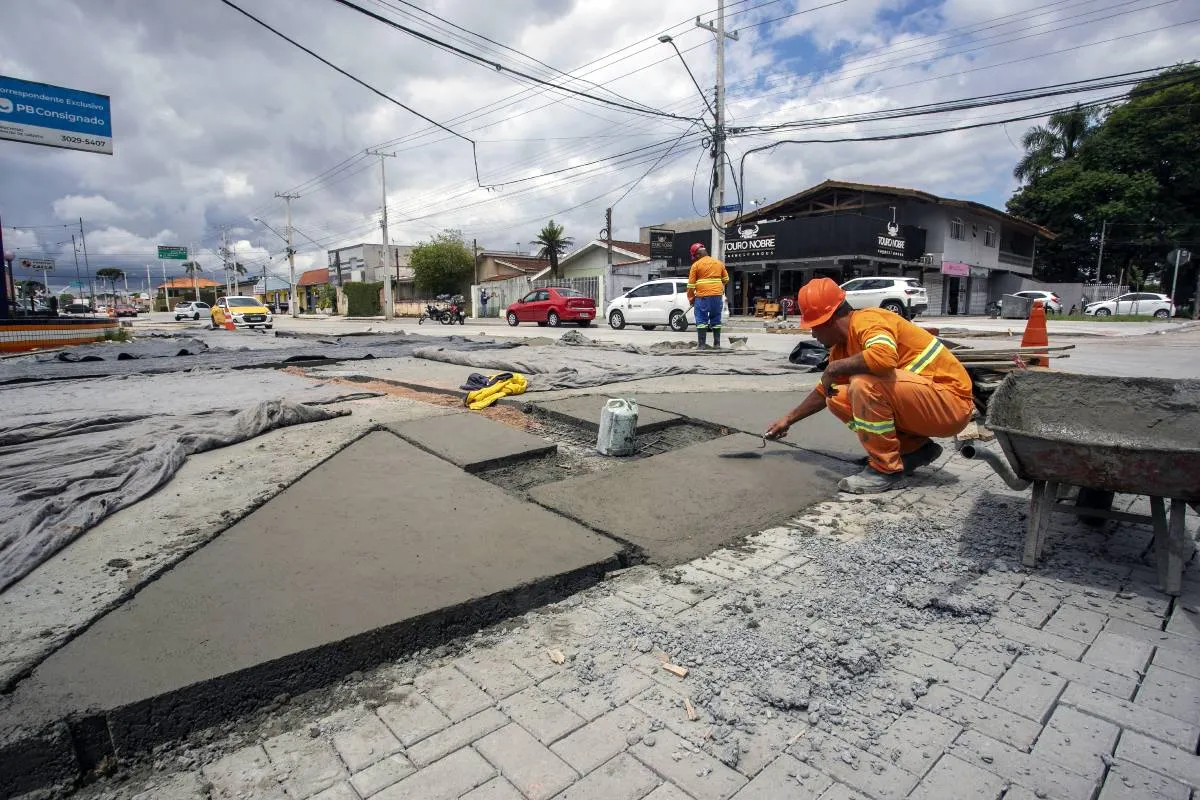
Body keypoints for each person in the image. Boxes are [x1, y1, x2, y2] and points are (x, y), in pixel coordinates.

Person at [765, 278, 974, 494]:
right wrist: (788, 420)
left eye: (813, 327)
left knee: (864, 383)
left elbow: (883, 358)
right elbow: (822, 391)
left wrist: (833, 368)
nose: (813, 335)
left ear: (828, 320)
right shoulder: (842, 348)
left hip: (950, 405)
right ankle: (914, 450)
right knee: (835, 396)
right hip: (925, 405)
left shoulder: (869, 321)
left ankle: (886, 469)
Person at [687, 243, 729, 349]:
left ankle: (701, 345)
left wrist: (691, 299)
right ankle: (717, 345)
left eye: (695, 257)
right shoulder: (718, 263)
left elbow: (691, 285)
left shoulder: (696, 265)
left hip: (702, 297)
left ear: (697, 255)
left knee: (701, 319)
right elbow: (726, 279)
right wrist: (717, 288)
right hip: (717, 296)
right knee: (716, 318)